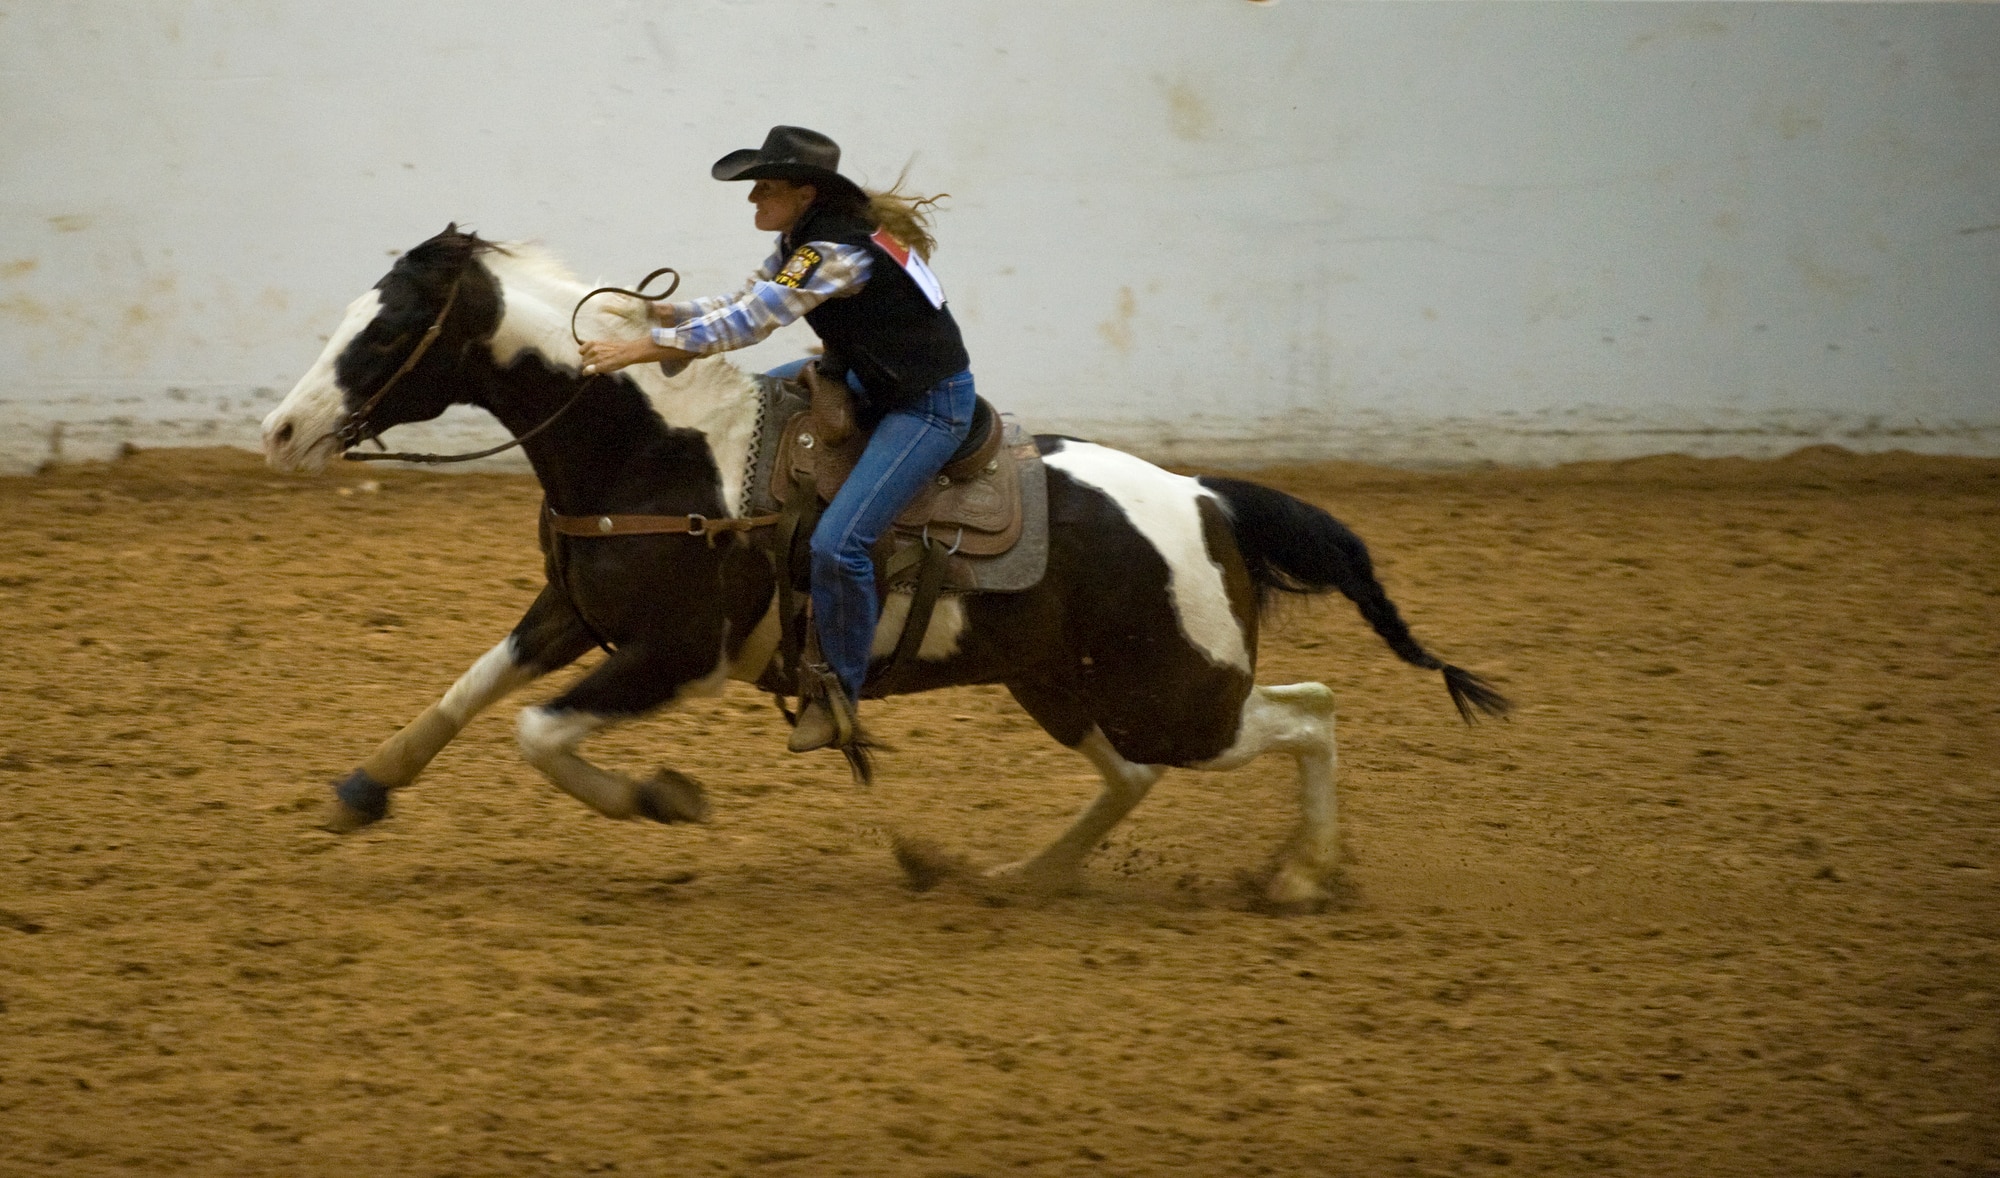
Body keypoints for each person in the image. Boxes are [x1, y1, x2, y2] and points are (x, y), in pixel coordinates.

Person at [578, 125, 974, 756]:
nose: (751, 199)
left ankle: (835, 693)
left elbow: (753, 321)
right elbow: (745, 299)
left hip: (924, 407)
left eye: (764, 187)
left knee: (841, 544)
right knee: (753, 410)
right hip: (864, 384)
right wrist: (664, 314)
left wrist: (641, 348)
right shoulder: (808, 240)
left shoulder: (835, 252)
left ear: (804, 192)